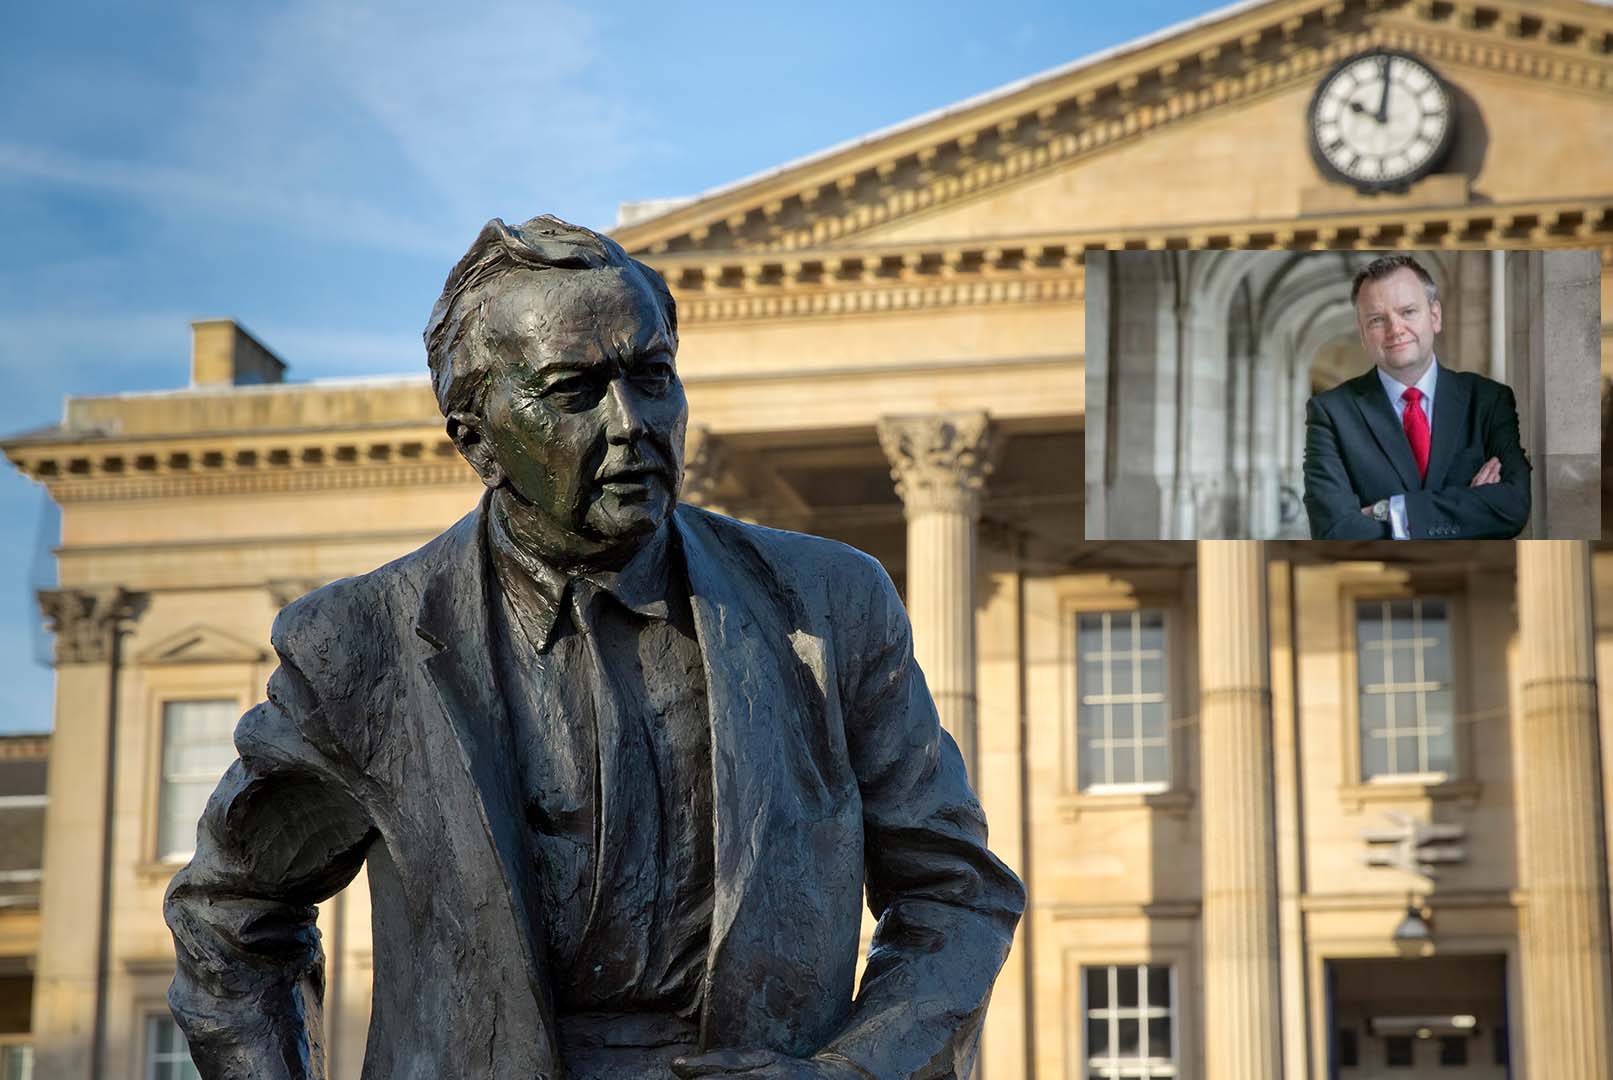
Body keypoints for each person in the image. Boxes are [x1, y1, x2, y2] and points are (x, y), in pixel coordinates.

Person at [164, 215, 1024, 1080]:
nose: (631, 424)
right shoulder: (361, 646)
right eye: (574, 391)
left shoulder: (830, 604)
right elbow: (231, 920)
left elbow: (955, 891)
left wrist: (853, 1073)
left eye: (653, 377)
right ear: (476, 437)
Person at [1301, 254, 1531, 540]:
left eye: (1408, 312)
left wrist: (1389, 510)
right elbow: (1333, 530)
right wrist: (1469, 505)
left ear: (1435, 316)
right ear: (1362, 334)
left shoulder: (1489, 400)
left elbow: (1512, 507)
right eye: (1376, 320)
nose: (1395, 329)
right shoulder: (1330, 413)